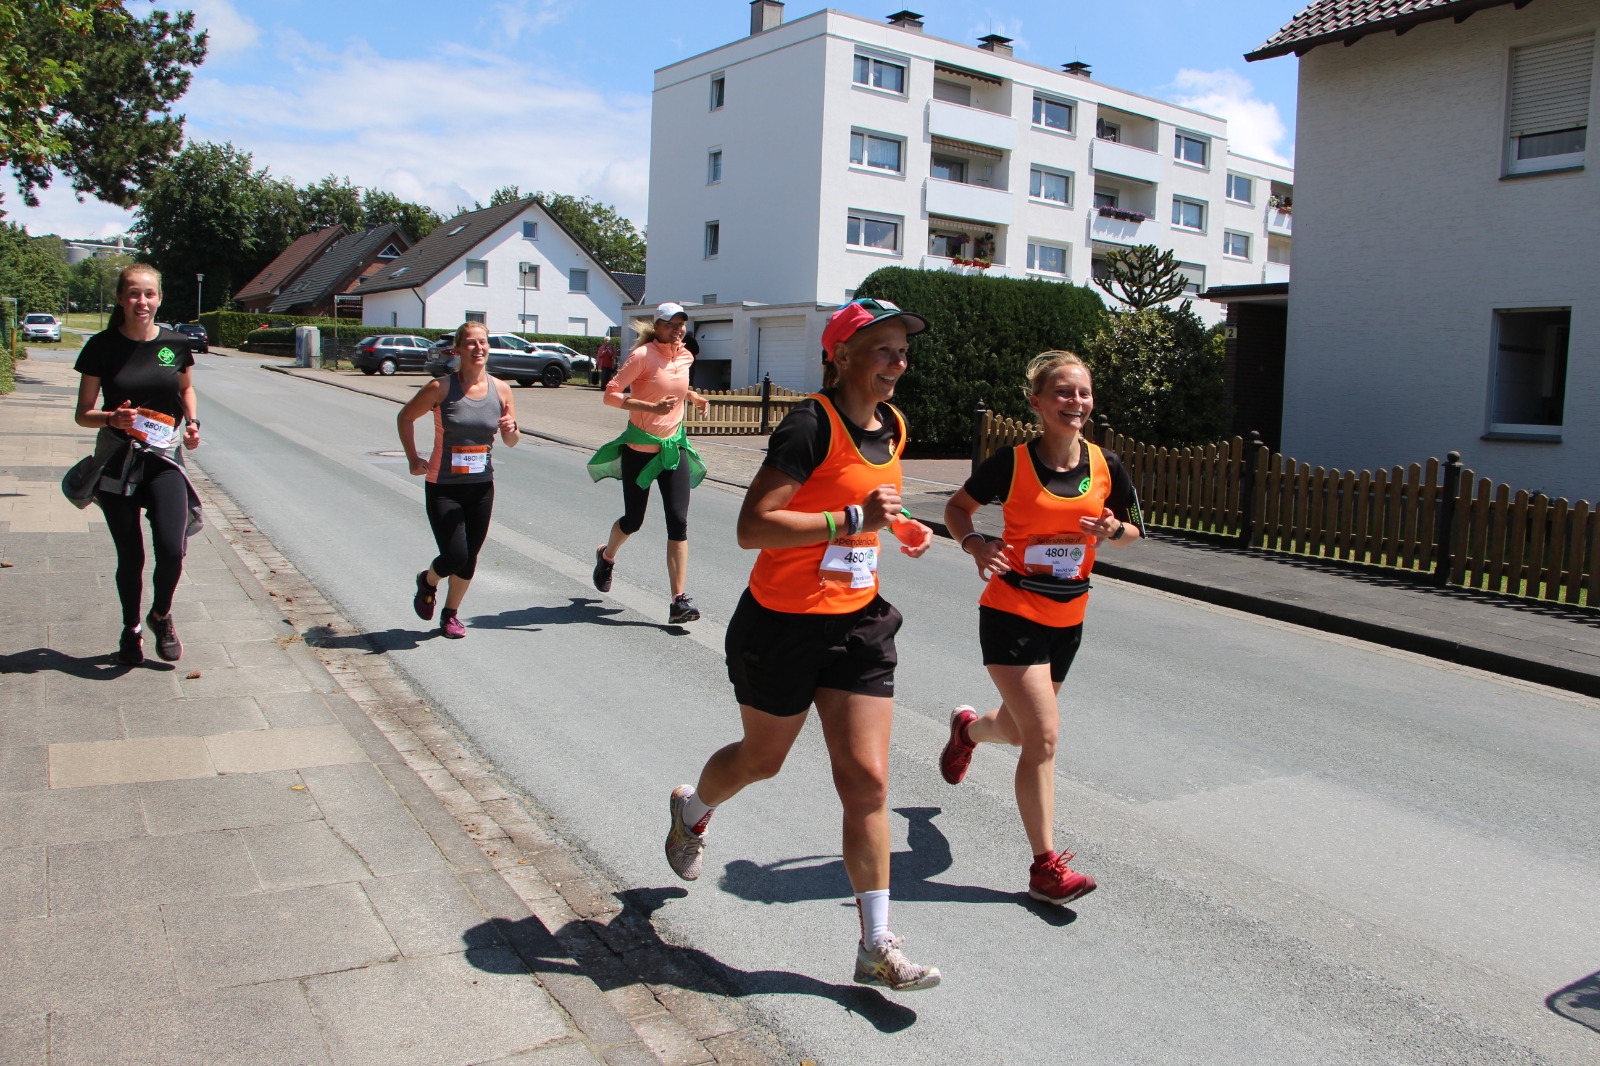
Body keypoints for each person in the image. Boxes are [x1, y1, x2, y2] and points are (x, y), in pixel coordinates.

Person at [663, 298, 942, 992]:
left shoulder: (893, 426)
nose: (897, 363)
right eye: (882, 349)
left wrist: (898, 525)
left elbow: (872, 504)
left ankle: (876, 944)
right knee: (762, 760)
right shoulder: (809, 425)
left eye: (903, 351)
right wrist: (850, 519)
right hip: (782, 624)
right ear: (841, 354)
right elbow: (754, 526)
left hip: (859, 623)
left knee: (867, 781)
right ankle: (692, 812)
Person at [939, 351, 1143, 906]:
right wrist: (975, 543)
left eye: (1084, 392)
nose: (1076, 402)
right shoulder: (1011, 463)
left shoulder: (1107, 465)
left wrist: (1112, 530)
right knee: (1044, 737)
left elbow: (1133, 532)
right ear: (1037, 402)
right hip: (1011, 611)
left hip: (1068, 617)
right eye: (1063, 392)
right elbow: (957, 509)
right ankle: (1045, 869)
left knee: (1017, 729)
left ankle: (967, 732)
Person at [73, 264, 203, 666]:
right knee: (131, 558)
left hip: (163, 460)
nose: (141, 301)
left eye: (148, 294)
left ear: (159, 298)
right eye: (133, 293)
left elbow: (186, 389)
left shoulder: (175, 343)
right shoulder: (101, 346)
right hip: (119, 462)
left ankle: (160, 615)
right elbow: (82, 413)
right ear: (120, 298)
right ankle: (131, 630)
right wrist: (111, 418)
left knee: (172, 550)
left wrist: (193, 424)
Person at [588, 302, 709, 625]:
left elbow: (671, 386)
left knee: (678, 522)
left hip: (673, 450)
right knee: (633, 520)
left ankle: (678, 601)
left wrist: (692, 397)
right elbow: (610, 394)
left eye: (681, 324)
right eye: (670, 324)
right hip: (640, 451)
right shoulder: (642, 355)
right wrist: (650, 408)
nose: (677, 329)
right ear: (657, 326)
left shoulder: (686, 356)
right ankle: (606, 556)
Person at [398, 321, 520, 639]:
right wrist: (413, 458)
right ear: (457, 349)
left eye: (483, 342)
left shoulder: (502, 389)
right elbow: (405, 417)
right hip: (444, 487)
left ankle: (450, 615)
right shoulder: (440, 388)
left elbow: (511, 440)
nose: (478, 348)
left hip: (481, 487)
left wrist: (511, 430)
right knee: (455, 555)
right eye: (471, 343)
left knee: (469, 559)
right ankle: (428, 581)